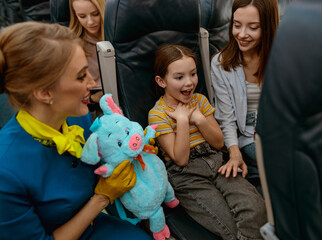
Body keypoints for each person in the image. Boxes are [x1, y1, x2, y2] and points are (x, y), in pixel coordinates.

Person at [0, 21, 152, 240]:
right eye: (81, 76)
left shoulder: (77, 117)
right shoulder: (6, 171)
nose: (91, 83)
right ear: (44, 92)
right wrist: (102, 198)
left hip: (95, 224)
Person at [148, 44, 266, 240]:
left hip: (217, 162)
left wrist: (200, 119)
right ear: (162, 81)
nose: (189, 83)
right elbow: (181, 159)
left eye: (193, 74)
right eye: (179, 77)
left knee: (256, 209)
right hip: (187, 176)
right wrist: (183, 121)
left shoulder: (200, 101)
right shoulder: (157, 115)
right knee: (227, 225)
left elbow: (219, 143)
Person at [211, 0, 279, 191]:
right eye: (236, 25)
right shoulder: (221, 64)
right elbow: (226, 118)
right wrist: (234, 152)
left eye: (253, 27)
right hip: (251, 136)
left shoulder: (283, 56)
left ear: (267, 26)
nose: (241, 34)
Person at [69, 0, 105, 118]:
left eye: (95, 14)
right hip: (92, 106)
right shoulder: (73, 44)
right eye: (82, 16)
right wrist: (92, 98)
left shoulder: (121, 37)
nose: (90, 22)